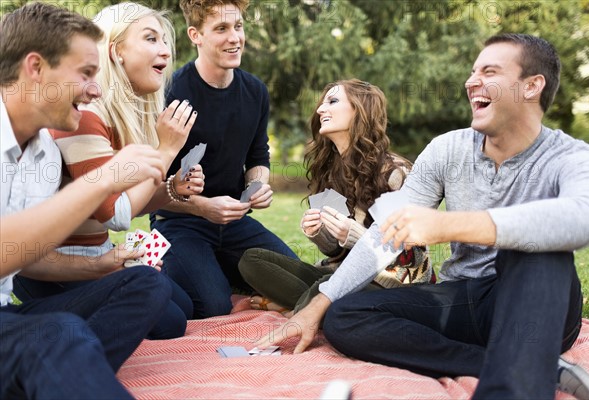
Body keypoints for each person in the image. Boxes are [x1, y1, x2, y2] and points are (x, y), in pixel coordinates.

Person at [257, 34, 589, 399]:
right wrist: (318, 305)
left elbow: (587, 217)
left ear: (532, 86)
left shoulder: (570, 156)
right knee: (345, 317)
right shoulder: (447, 148)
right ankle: (516, 365)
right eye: (472, 72)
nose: (471, 82)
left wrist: (447, 225)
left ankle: (511, 385)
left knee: (533, 248)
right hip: (464, 300)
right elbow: (382, 237)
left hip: (540, 309)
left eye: (489, 72)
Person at [0, 3, 172, 398]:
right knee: (58, 334)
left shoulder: (43, 151)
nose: (96, 89)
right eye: (86, 74)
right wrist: (102, 180)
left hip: (7, 314)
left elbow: (29, 257)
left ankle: (55, 376)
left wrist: (101, 268)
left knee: (144, 285)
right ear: (36, 67)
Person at [12, 2, 203, 340]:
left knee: (179, 306)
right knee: (170, 319)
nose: (165, 52)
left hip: (92, 253)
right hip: (58, 267)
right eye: (151, 39)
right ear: (117, 52)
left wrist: (171, 188)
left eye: (164, 42)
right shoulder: (81, 117)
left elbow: (125, 202)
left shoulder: (73, 128)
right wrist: (167, 150)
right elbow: (115, 214)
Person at [150, 0, 297, 319]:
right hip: (179, 221)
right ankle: (190, 265)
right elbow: (149, 186)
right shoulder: (169, 91)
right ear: (195, 35)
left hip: (234, 221)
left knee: (297, 284)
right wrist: (201, 206)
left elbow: (258, 155)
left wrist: (257, 185)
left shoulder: (255, 91)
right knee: (211, 306)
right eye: (221, 29)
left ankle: (215, 267)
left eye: (238, 27)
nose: (235, 38)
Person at [239, 79, 433, 316]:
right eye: (322, 103)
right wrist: (320, 234)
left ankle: (304, 312)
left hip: (393, 282)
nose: (320, 109)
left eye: (332, 101)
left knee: (321, 291)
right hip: (340, 272)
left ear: (360, 109)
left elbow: (410, 253)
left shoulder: (395, 173)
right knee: (252, 259)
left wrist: (355, 235)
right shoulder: (330, 171)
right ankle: (322, 309)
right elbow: (335, 253)